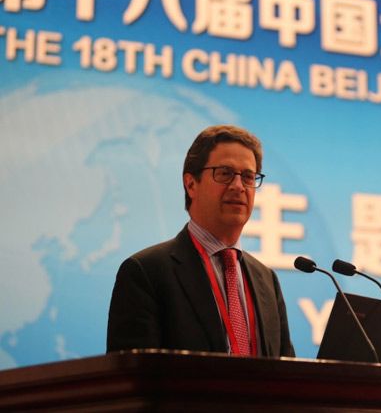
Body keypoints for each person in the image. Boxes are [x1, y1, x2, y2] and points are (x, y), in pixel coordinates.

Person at [107, 125, 295, 357]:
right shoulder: (146, 272)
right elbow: (134, 375)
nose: (238, 186)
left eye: (248, 177)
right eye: (225, 173)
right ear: (191, 184)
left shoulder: (267, 280)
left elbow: (286, 371)